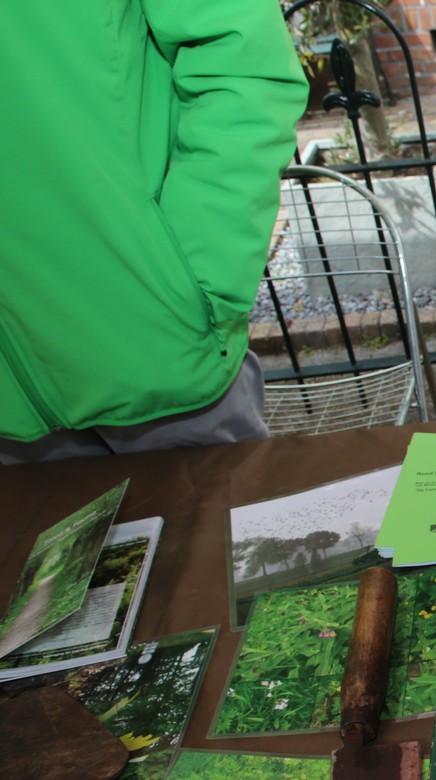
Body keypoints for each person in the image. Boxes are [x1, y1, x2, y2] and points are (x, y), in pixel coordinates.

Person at [0, 0, 310, 464]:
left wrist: (197, 286)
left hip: (154, 353)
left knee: (217, 511)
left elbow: (242, 60)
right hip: (15, 418)